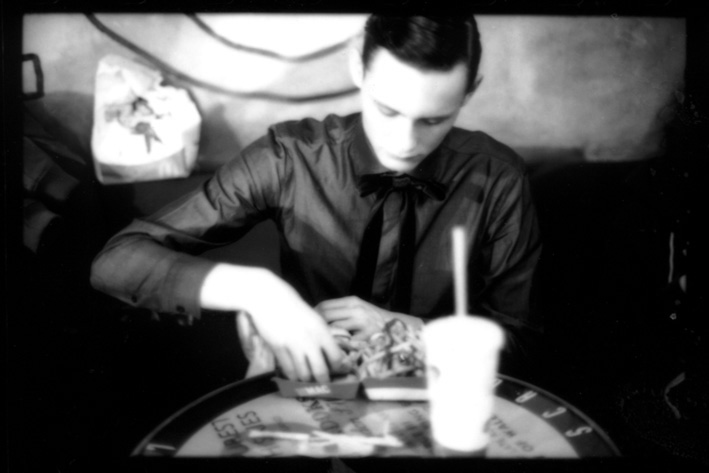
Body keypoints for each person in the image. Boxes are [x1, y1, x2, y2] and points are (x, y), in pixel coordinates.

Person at [91, 14, 542, 384]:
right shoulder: (289, 156)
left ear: (469, 92)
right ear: (357, 69)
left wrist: (413, 333)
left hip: (443, 406)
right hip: (308, 399)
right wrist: (257, 292)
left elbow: (521, 342)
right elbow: (116, 261)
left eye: (434, 120)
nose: (406, 143)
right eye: (387, 110)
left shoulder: (499, 178)